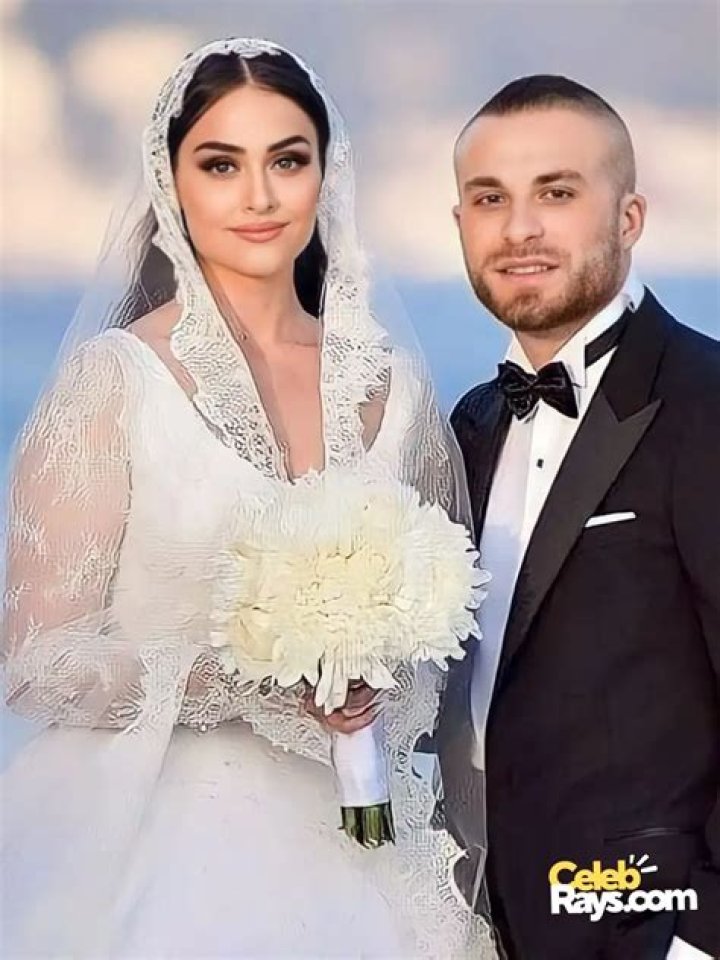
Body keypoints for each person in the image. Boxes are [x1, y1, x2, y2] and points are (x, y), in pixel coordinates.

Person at [0, 38, 492, 959]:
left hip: (367, 845)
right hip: (156, 850)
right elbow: (35, 663)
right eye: (221, 165)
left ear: (325, 177)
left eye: (287, 161)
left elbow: (446, 648)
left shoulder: (398, 389)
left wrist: (372, 678)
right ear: (171, 183)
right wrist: (255, 678)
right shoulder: (114, 382)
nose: (259, 196)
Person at [437, 75, 720, 960]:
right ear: (460, 224)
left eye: (556, 193)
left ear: (629, 218)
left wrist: (699, 941)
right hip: (481, 923)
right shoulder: (469, 426)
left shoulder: (707, 403)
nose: (519, 228)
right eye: (491, 199)